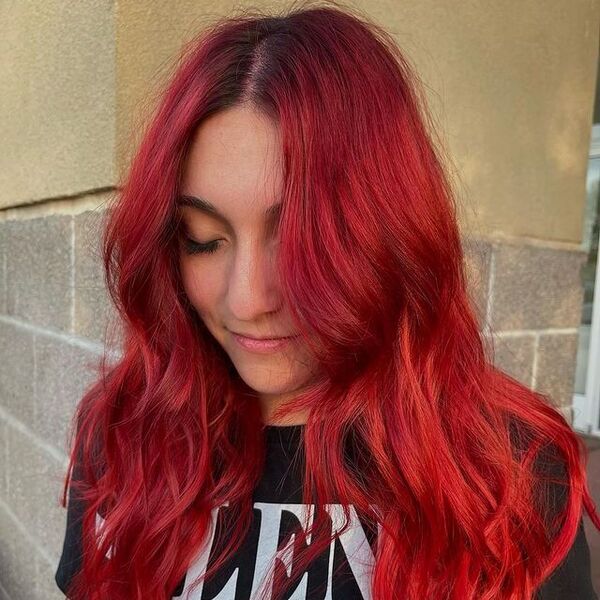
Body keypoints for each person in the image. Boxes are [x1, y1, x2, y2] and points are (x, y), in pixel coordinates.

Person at [54, 3, 600, 599]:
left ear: (388, 236)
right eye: (203, 241)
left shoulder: (507, 471)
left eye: (301, 242)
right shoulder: (124, 432)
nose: (247, 300)